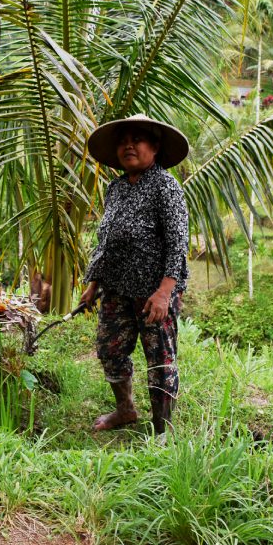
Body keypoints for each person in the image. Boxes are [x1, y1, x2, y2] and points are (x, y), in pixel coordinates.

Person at [79, 114, 190, 434]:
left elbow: (177, 242)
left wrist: (164, 291)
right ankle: (125, 410)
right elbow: (107, 241)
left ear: (154, 147)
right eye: (123, 140)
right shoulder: (114, 189)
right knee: (109, 349)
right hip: (116, 290)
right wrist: (94, 284)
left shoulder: (165, 187)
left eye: (137, 139)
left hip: (153, 291)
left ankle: (162, 430)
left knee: (159, 358)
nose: (128, 145)